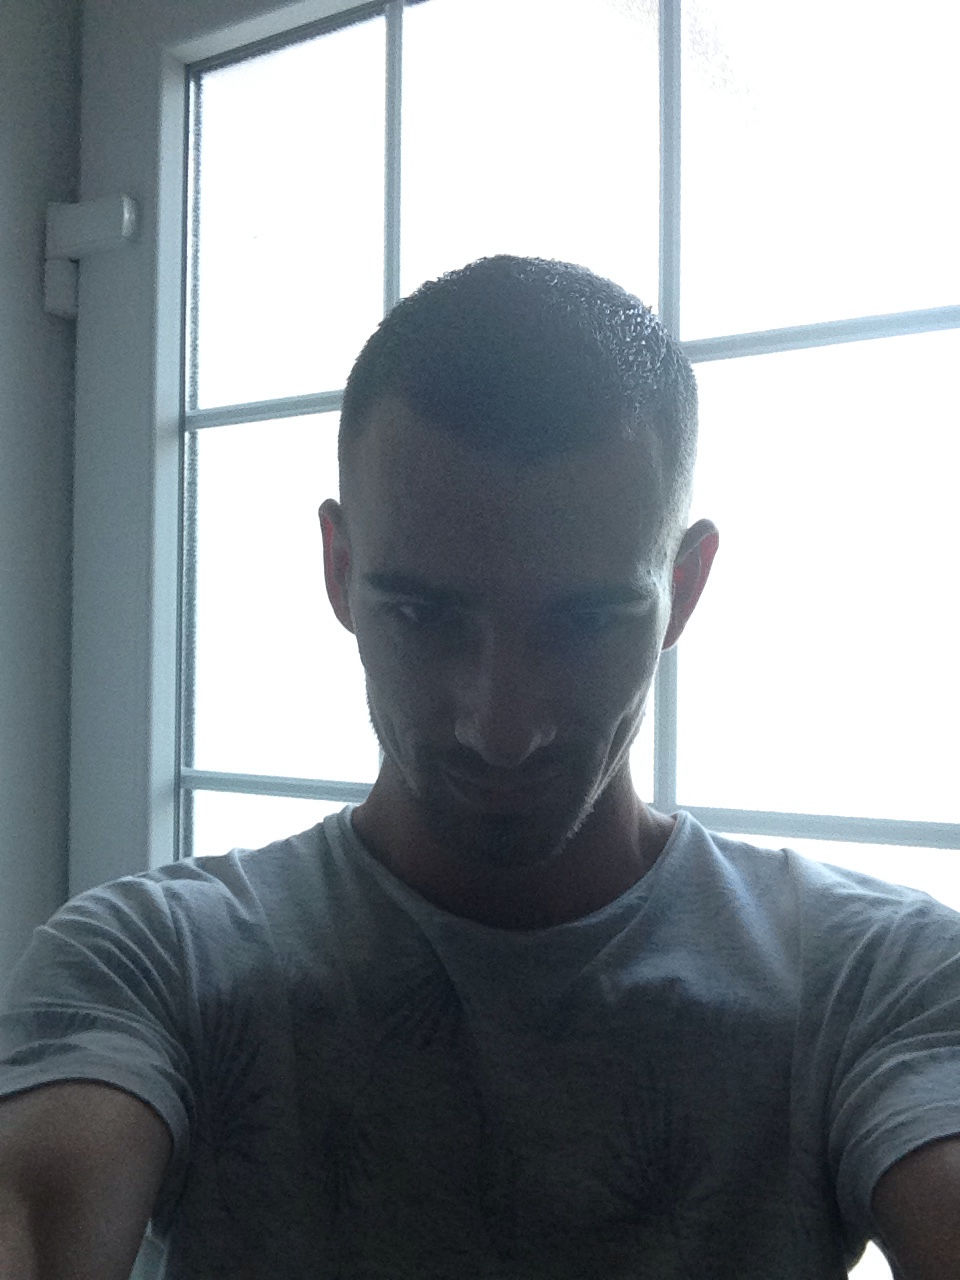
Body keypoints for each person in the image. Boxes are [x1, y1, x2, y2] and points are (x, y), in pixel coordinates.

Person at [1, 256, 958, 1279]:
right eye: (424, 614)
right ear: (339, 569)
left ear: (684, 588)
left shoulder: (879, 981)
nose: (501, 726)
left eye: (586, 621)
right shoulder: (150, 964)